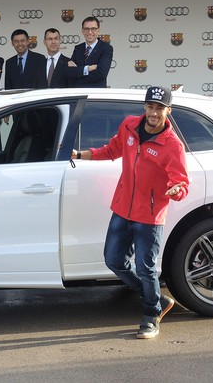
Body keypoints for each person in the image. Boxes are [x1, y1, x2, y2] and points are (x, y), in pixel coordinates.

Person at [71, 86, 189, 339]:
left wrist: (176, 190)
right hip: (122, 208)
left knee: (145, 268)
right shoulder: (129, 126)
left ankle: (151, 313)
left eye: (159, 108)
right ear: (145, 107)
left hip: (150, 216)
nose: (154, 113)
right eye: (150, 107)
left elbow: (180, 181)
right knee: (113, 261)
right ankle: (154, 295)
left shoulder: (172, 145)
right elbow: (112, 149)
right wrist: (82, 155)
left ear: (168, 111)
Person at [66, 16, 113, 88]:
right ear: (82, 31)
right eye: (86, 29)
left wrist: (78, 73)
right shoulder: (78, 48)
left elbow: (101, 74)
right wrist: (88, 69)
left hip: (96, 95)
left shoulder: (106, 48)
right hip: (78, 94)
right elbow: (70, 72)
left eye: (93, 29)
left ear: (98, 30)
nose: (90, 32)